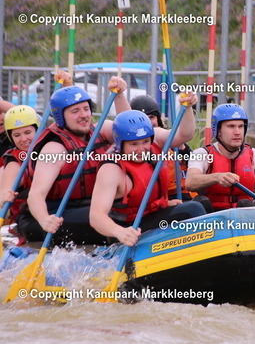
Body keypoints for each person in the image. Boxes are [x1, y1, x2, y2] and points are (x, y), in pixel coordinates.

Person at [17, 78, 132, 245]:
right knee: (113, 216)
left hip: (90, 206)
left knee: (127, 209)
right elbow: (36, 195)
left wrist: (119, 95)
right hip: (52, 214)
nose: (84, 115)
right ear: (60, 117)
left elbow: (128, 129)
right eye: (75, 111)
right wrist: (44, 219)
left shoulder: (100, 130)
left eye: (86, 109)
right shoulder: (54, 149)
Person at [89, 107, 205, 247]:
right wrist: (119, 232)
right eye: (134, 144)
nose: (141, 149)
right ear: (120, 144)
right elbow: (96, 216)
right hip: (128, 230)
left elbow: (185, 135)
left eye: (145, 142)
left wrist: (188, 107)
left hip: (149, 216)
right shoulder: (111, 170)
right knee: (193, 209)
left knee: (200, 204)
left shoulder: (155, 143)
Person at [186, 103, 255, 210]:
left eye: (240, 126)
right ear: (218, 130)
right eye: (231, 126)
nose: (237, 132)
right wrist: (217, 177)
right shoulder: (201, 154)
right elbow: (190, 182)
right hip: (212, 215)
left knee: (247, 204)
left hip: (243, 216)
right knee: (200, 202)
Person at [130, 94, 197, 201]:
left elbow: (186, 134)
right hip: (163, 199)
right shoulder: (130, 148)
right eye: (143, 118)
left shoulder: (170, 142)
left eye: (151, 117)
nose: (148, 122)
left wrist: (187, 107)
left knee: (203, 202)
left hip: (185, 195)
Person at [0, 106, 40, 225]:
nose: (23, 139)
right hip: (26, 217)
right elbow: (5, 189)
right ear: (11, 138)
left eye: (28, 132)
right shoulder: (14, 160)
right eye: (17, 135)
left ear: (37, 130)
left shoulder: (52, 148)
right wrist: (4, 195)